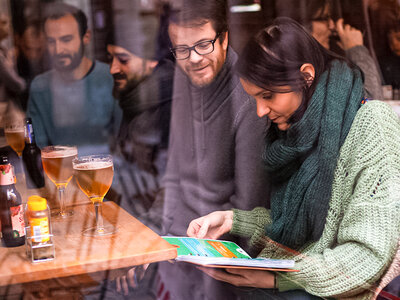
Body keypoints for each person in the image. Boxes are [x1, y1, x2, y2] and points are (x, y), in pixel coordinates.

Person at [187, 17, 400, 300]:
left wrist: (279, 279)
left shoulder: (373, 124)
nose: (261, 111)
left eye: (268, 96)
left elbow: (365, 257)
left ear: (306, 76)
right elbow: (296, 223)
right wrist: (232, 220)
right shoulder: (294, 131)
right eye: (255, 99)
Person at [152, 0, 271, 299]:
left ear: (225, 37)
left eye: (204, 44)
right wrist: (152, 241)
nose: (193, 58)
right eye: (182, 49)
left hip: (219, 257)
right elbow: (173, 177)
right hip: (178, 246)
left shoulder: (247, 97)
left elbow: (246, 210)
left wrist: (190, 254)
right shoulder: (185, 82)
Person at [26, 3, 121, 154]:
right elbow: (38, 147)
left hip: (107, 171)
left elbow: (123, 142)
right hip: (59, 174)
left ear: (86, 37)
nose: (58, 50)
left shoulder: (111, 78)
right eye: (51, 41)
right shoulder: (40, 86)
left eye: (66, 39)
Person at [106, 31, 174, 228]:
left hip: (153, 229)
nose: (113, 68)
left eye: (123, 60)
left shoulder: (168, 104)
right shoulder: (133, 99)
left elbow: (172, 185)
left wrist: (145, 233)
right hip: (132, 218)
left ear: (151, 61)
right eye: (110, 58)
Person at [276, 0, 383, 100]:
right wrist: (357, 50)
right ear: (303, 24)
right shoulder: (303, 73)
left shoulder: (324, 65)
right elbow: (371, 106)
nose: (332, 25)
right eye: (324, 18)